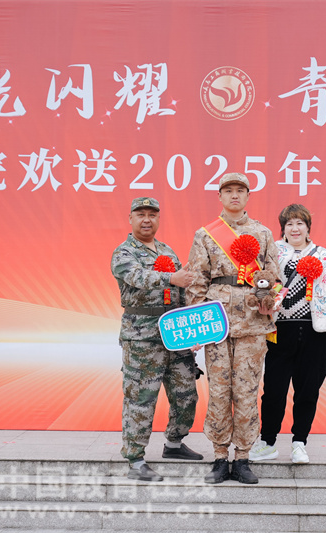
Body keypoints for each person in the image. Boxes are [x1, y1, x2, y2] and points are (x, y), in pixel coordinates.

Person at [186, 172, 281, 484]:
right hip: (217, 324)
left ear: (248, 195)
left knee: (247, 391)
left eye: (240, 190)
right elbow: (197, 281)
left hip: (253, 324)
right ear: (220, 196)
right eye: (228, 190)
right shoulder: (205, 235)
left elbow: (274, 276)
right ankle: (219, 456)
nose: (235, 195)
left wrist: (269, 300)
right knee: (218, 391)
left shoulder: (263, 234)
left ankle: (242, 458)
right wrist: (197, 327)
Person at [250, 204, 326, 464]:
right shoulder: (273, 251)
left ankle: (300, 442)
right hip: (280, 331)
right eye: (289, 224)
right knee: (273, 391)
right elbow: (260, 282)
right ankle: (267, 442)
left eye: (300, 223)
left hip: (314, 331)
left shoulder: (323, 255)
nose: (295, 228)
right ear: (283, 229)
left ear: (308, 228)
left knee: (308, 391)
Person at [111, 197, 204, 482]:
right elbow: (137, 277)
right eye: (141, 214)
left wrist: (194, 330)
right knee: (141, 398)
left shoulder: (167, 251)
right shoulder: (124, 252)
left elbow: (182, 291)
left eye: (152, 215)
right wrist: (171, 278)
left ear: (158, 219)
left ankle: (174, 444)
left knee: (186, 394)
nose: (146, 219)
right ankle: (135, 459)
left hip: (175, 334)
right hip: (142, 336)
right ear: (130, 218)